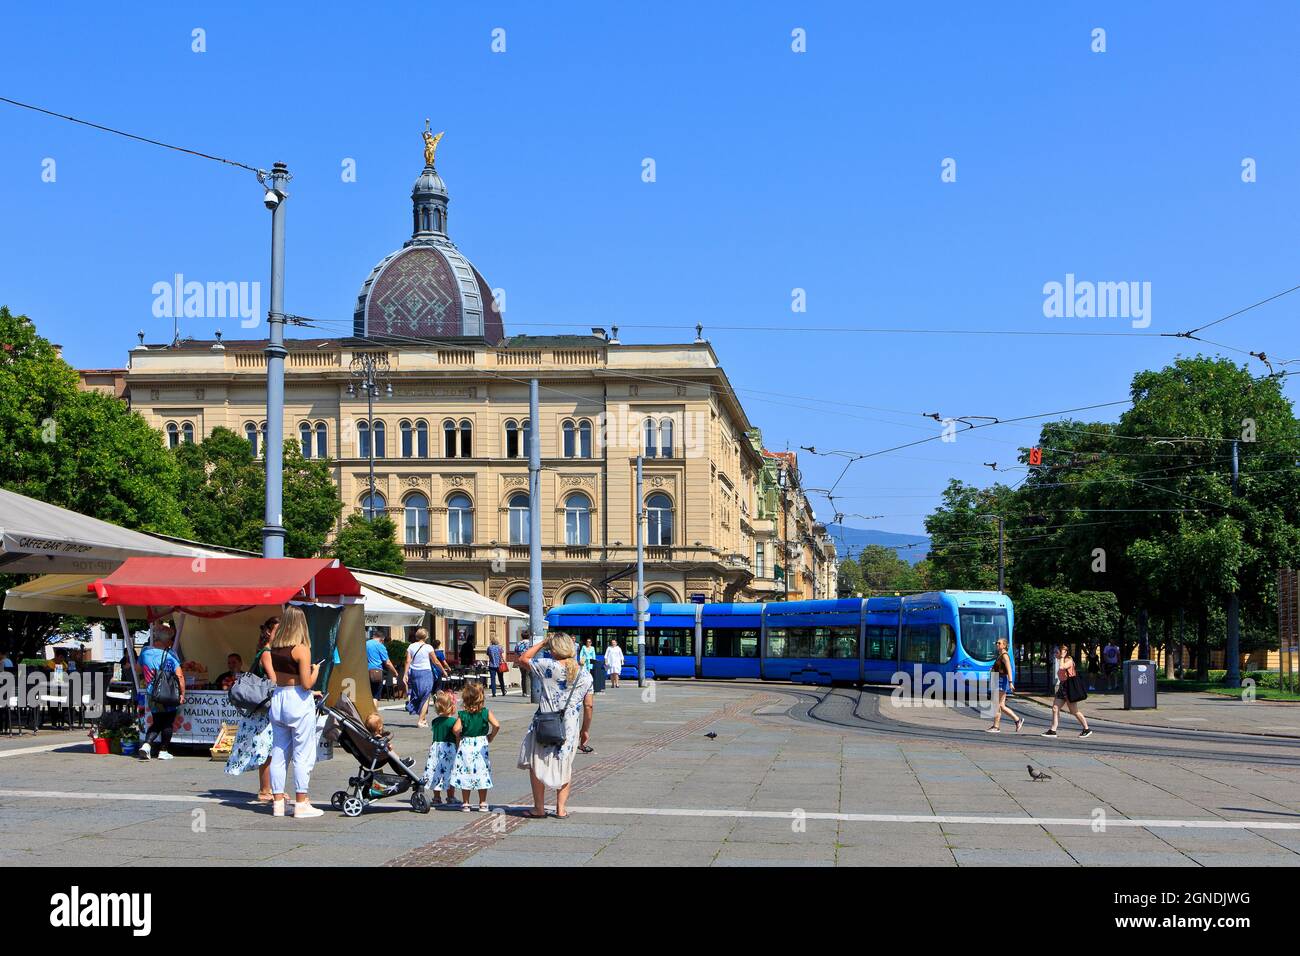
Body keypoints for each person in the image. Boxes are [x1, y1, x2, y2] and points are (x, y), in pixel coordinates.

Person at [517, 633, 595, 819]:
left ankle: (539, 808)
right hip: (569, 728)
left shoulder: (547, 666)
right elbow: (589, 706)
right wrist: (585, 730)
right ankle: (561, 809)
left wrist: (542, 642)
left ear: (553, 649)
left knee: (537, 764)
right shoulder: (585, 674)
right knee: (565, 764)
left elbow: (523, 659)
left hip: (544, 723)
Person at [262, 605, 324, 818]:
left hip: (278, 697)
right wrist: (315, 671)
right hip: (298, 699)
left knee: (279, 751)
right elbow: (306, 684)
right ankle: (301, 802)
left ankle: (278, 802)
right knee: (302, 753)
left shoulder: (274, 649)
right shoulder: (301, 649)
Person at [225, 617, 279, 803]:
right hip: (263, 709)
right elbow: (274, 680)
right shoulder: (267, 653)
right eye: (277, 630)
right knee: (266, 749)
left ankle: (271, 788)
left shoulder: (268, 651)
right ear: (269, 633)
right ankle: (265, 789)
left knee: (269, 748)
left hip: (262, 707)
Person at [138, 622, 185, 761]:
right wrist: (182, 694)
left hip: (152, 693)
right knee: (167, 722)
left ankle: (147, 745)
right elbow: (180, 676)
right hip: (169, 693)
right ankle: (163, 750)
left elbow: (137, 668)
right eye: (171, 639)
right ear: (167, 640)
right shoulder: (171, 655)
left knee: (157, 721)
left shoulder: (145, 652)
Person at [450, 681, 499, 812]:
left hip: (466, 744)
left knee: (466, 772)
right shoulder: (485, 712)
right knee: (482, 772)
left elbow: (455, 729)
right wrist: (491, 736)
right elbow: (497, 725)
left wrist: (458, 737)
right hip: (481, 744)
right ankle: (482, 802)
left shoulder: (463, 715)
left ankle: (466, 803)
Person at [1042, 644, 1092, 738]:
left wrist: (1062, 657)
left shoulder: (1069, 660)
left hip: (1069, 687)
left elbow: (1062, 668)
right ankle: (1053, 730)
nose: (1054, 654)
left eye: (1056, 652)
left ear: (1062, 653)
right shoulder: (1060, 660)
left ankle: (1086, 729)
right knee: (1055, 708)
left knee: (1074, 711)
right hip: (1062, 687)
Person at [423, 691, 459, 805]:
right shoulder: (453, 721)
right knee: (450, 772)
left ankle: (436, 797)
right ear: (452, 707)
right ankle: (450, 796)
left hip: (436, 749)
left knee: (436, 772)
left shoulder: (435, 722)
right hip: (449, 749)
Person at [403, 628, 441, 728]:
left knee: (418, 694)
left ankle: (423, 719)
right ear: (426, 637)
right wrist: (444, 670)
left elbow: (407, 661)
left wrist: (405, 674)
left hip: (414, 673)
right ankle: (420, 720)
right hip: (425, 672)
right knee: (426, 695)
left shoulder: (411, 646)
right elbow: (435, 661)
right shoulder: (428, 647)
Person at [986, 637, 1023, 733]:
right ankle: (1017, 720)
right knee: (1001, 705)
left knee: (997, 704)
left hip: (1001, 680)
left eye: (999, 643)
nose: (997, 644)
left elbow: (1009, 669)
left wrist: (1011, 682)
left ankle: (996, 726)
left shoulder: (1005, 656)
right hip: (997, 679)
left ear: (1004, 645)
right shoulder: (1000, 655)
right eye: (997, 643)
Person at [366, 630, 399, 702]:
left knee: (366, 696)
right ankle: (374, 713)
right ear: (382, 639)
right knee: (375, 696)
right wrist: (395, 672)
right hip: (376, 672)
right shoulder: (380, 646)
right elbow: (387, 662)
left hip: (364, 672)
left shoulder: (365, 644)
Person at [515, 630, 532, 697]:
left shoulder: (518, 643)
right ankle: (528, 692)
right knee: (528, 676)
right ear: (528, 636)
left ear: (522, 636)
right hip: (528, 661)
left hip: (521, 661)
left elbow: (516, 652)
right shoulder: (530, 643)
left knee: (523, 676)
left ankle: (524, 692)